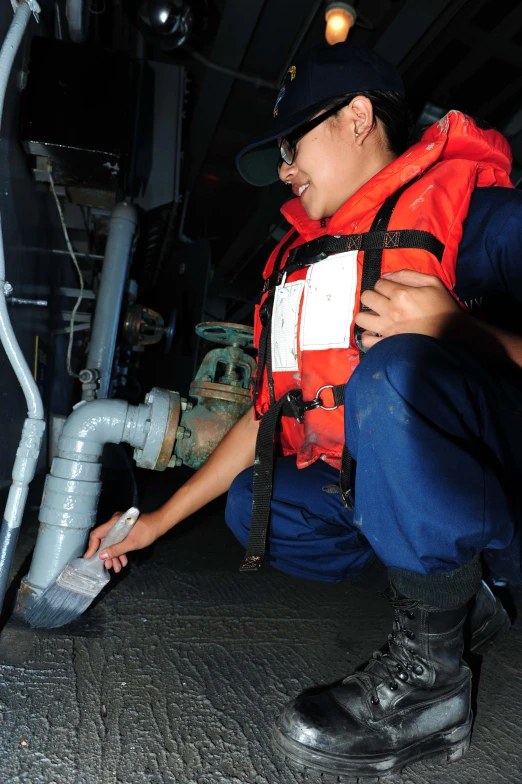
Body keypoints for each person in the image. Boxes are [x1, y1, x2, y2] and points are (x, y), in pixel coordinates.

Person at [85, 43, 522, 779]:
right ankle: (455, 598)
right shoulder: (304, 257)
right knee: (259, 502)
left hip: (504, 485)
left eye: (294, 143)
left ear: (357, 118)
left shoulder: (474, 213)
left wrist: (463, 331)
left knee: (394, 371)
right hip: (433, 503)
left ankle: (435, 686)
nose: (285, 169)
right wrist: (157, 522)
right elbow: (265, 415)